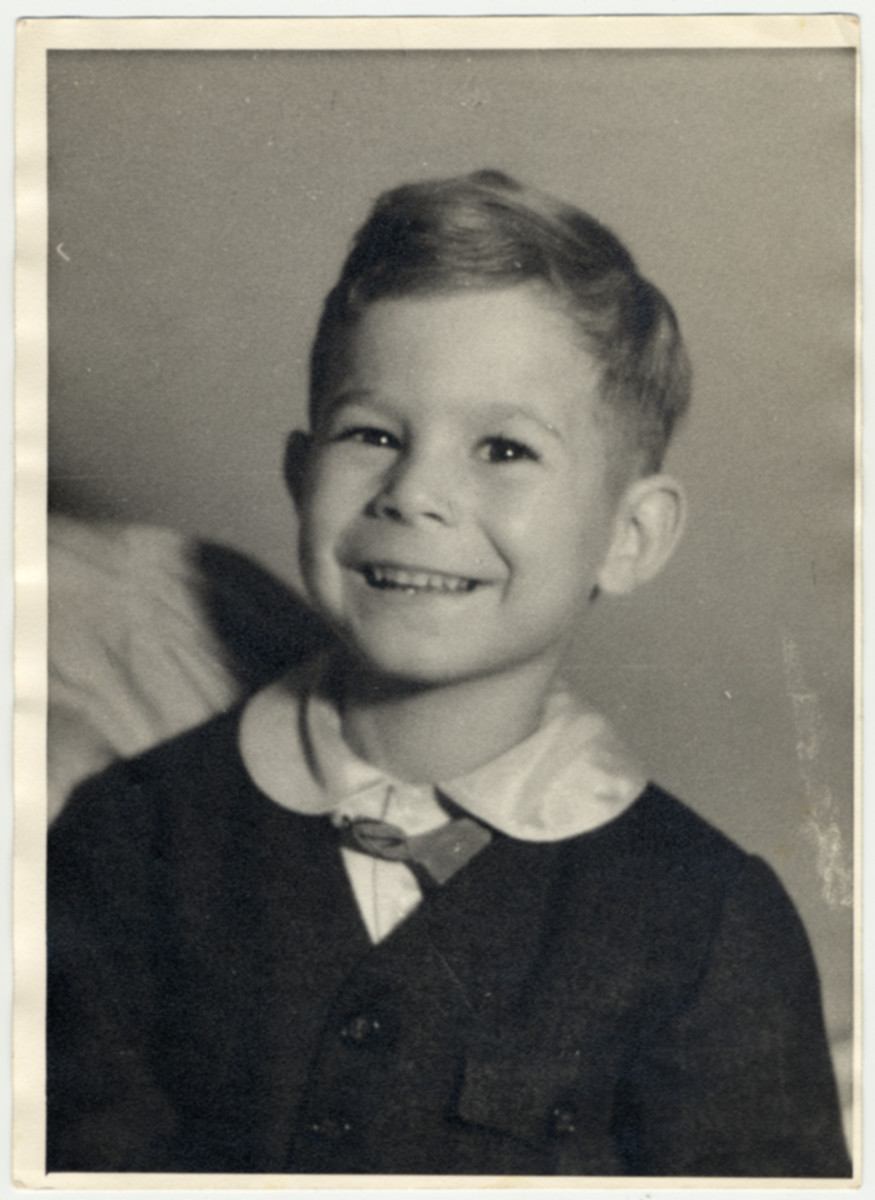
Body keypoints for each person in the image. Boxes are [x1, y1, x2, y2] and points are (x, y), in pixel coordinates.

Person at [47, 170, 851, 1177]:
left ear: (630, 536)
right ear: (302, 478)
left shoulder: (708, 923)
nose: (415, 490)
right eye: (373, 434)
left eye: (503, 448)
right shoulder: (127, 836)